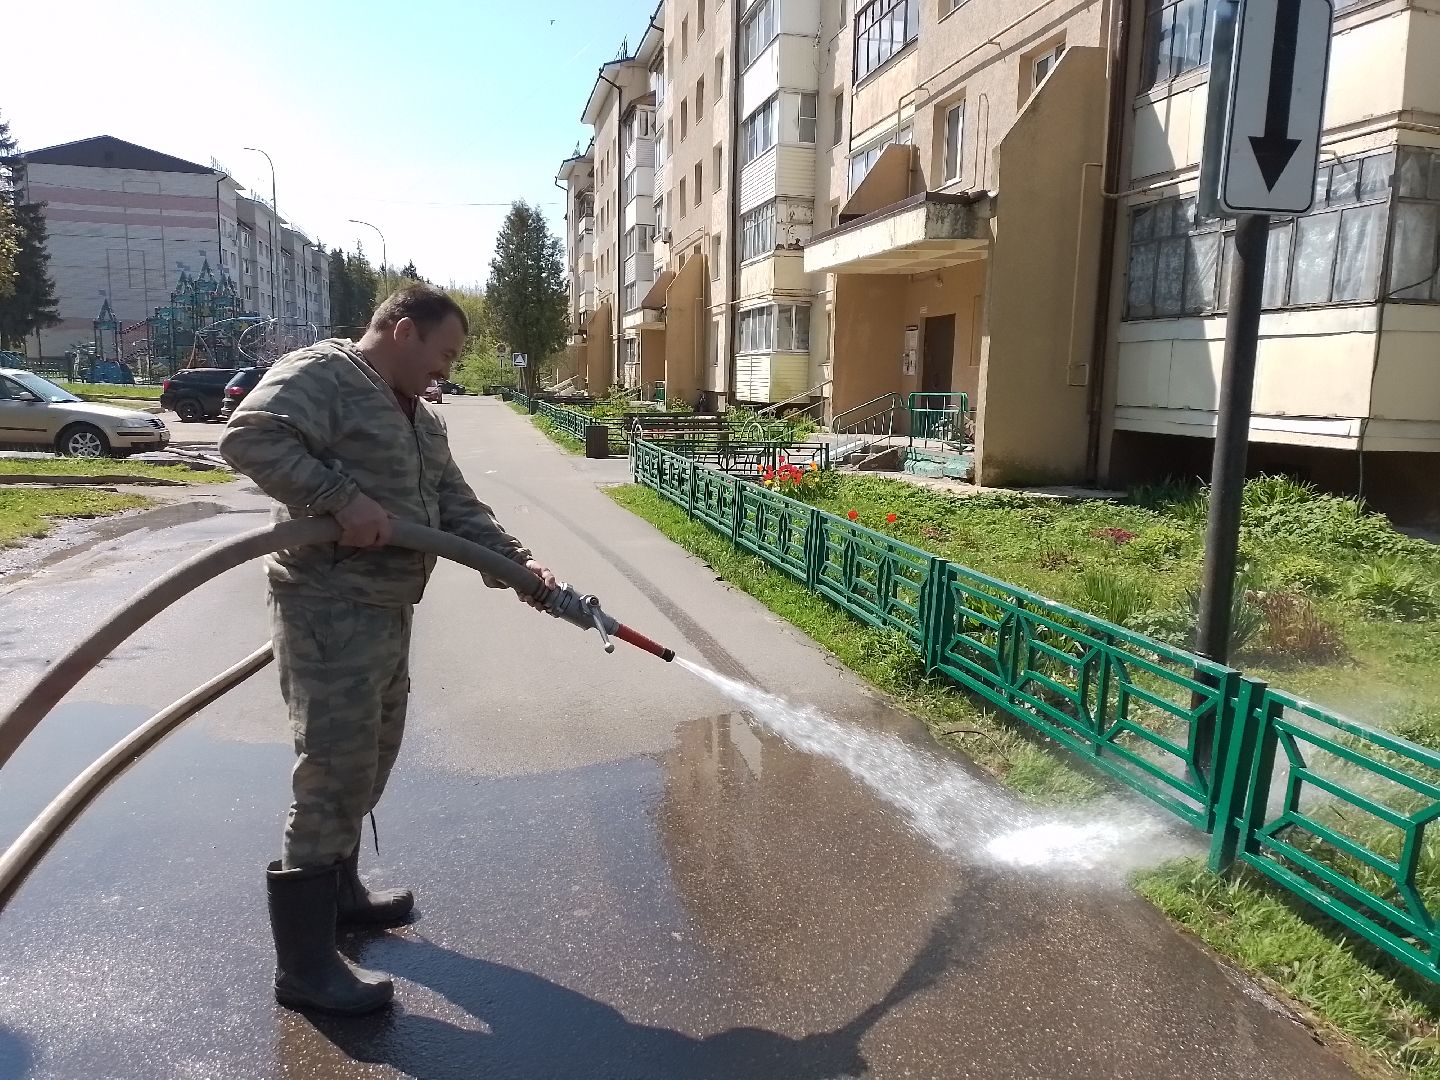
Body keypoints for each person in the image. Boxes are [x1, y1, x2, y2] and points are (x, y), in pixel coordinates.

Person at [220, 284, 556, 1016]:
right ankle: (305, 971)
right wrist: (339, 498)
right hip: (328, 608)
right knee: (334, 769)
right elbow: (249, 437)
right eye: (442, 354)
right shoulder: (325, 374)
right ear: (402, 331)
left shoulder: (422, 419)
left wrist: (517, 566)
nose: (444, 371)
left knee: (374, 752)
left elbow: (458, 506)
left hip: (386, 610)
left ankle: (341, 898)